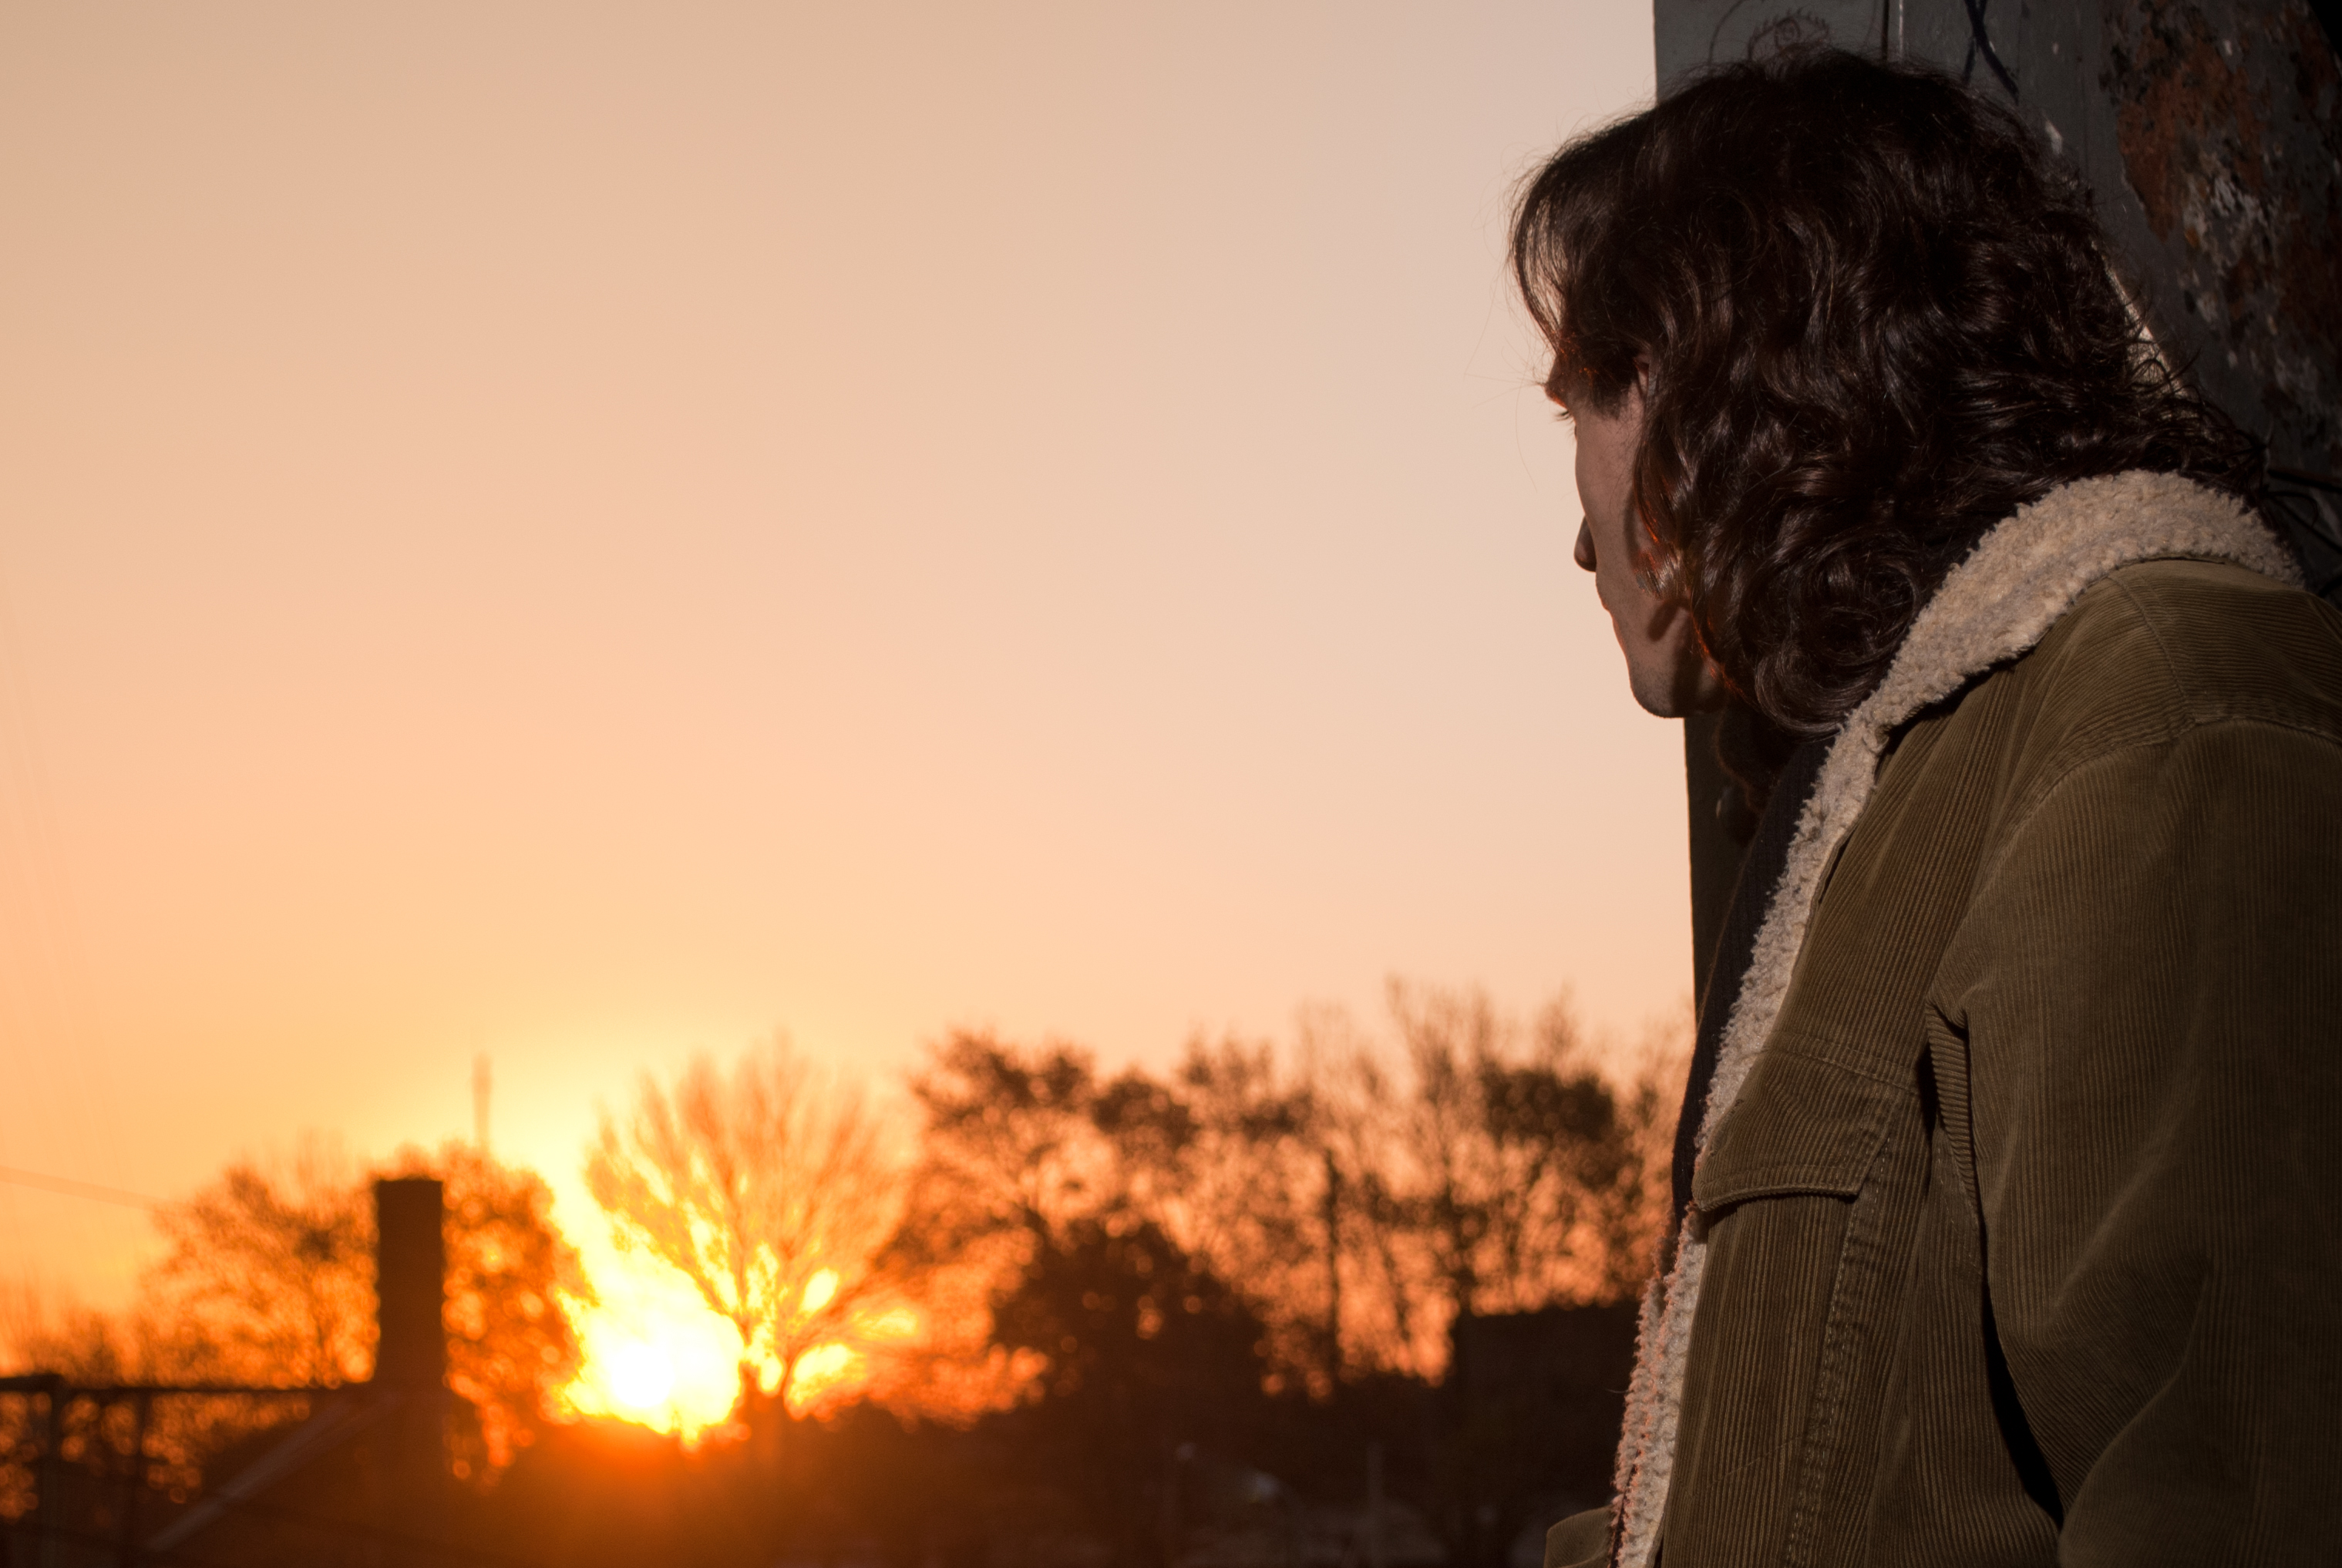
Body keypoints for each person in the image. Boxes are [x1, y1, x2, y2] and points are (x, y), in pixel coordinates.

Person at [1510, 48, 2342, 1568]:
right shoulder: (1872, 796)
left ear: (1707, 380)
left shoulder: (2160, 713)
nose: (1578, 533)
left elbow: (2235, 1492)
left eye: (1579, 398)